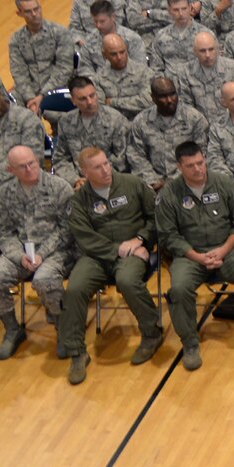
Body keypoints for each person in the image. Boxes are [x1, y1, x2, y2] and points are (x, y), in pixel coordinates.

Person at [156, 140, 234, 370]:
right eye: (190, 166)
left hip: (227, 247)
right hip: (190, 254)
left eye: (200, 163)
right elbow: (168, 235)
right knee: (178, 288)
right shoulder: (170, 193)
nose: (198, 169)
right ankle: (190, 343)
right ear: (179, 167)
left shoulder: (223, 183)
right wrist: (197, 256)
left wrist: (224, 249)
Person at [59, 145, 162, 384]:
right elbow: (85, 237)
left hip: (133, 252)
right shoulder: (79, 200)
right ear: (84, 172)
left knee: (127, 281)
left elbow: (155, 218)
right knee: (75, 288)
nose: (106, 170)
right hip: (97, 256)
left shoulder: (132, 184)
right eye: (97, 167)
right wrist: (118, 249)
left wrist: (140, 240)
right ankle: (76, 351)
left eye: (106, 163)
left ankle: (152, 333)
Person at [0, 144, 72, 361]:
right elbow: (4, 232)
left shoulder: (59, 187)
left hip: (55, 251)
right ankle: (12, 329)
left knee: (44, 280)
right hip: (20, 251)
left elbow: (67, 230)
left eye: (32, 163)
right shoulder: (6, 193)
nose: (29, 169)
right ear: (10, 170)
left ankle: (63, 328)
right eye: (22, 166)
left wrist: (42, 254)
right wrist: (19, 256)